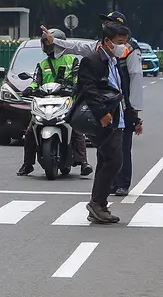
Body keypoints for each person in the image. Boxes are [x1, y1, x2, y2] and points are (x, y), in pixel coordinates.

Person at [43, 13, 144, 194]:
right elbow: (76, 47)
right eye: (105, 23)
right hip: (104, 108)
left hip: (122, 106)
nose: (105, 24)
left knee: (121, 151)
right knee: (106, 153)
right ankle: (104, 192)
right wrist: (55, 42)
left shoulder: (130, 50)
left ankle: (120, 184)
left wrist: (134, 111)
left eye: (109, 22)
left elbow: (135, 78)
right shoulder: (99, 50)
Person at [75, 23, 134, 223]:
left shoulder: (114, 62)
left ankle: (98, 204)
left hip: (117, 118)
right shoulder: (93, 61)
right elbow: (88, 89)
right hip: (104, 119)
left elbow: (120, 91)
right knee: (114, 160)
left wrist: (133, 117)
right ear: (107, 42)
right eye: (119, 43)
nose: (122, 47)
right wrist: (102, 114)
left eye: (125, 43)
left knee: (108, 160)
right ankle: (97, 203)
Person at [17, 30, 90, 177]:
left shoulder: (72, 60)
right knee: (31, 131)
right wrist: (28, 90)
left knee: (75, 128)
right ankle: (28, 164)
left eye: (49, 43)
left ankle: (83, 162)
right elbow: (36, 82)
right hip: (45, 101)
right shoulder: (42, 64)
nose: (47, 46)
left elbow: (77, 79)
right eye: (45, 43)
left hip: (66, 100)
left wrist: (75, 88)